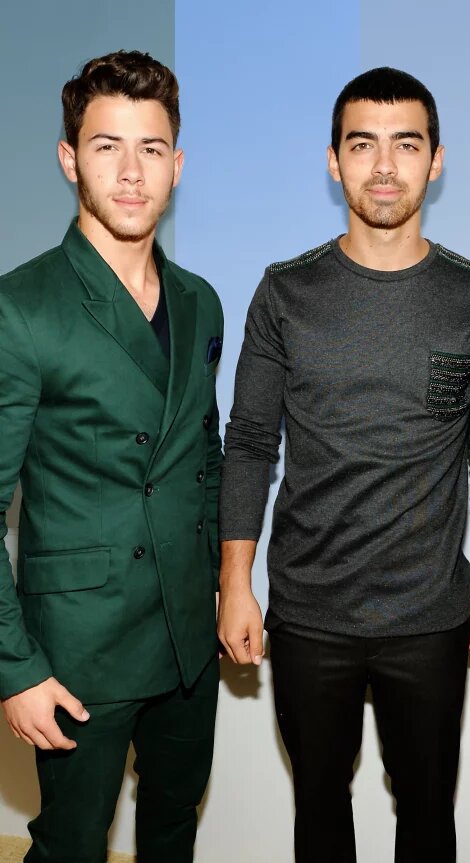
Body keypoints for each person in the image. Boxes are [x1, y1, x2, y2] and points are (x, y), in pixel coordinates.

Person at [218, 66, 470, 863]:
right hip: (309, 613)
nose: (384, 166)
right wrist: (235, 582)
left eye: (406, 145)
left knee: (427, 814)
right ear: (334, 160)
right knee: (319, 810)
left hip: (431, 614)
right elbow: (249, 441)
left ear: (436, 160)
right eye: (363, 145)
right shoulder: (285, 293)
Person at [0, 50, 223, 863]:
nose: (132, 173)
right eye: (107, 146)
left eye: (151, 149)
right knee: (70, 846)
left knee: (173, 828)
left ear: (177, 164)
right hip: (77, 650)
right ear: (70, 159)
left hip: (187, 640)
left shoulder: (200, 301)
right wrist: (15, 669)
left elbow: (204, 453)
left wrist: (223, 585)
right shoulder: (21, 307)